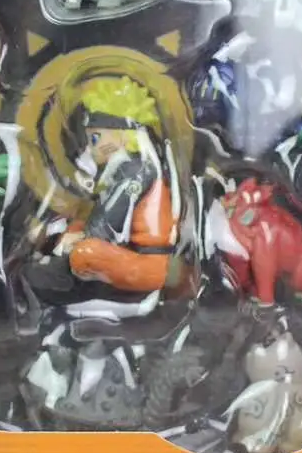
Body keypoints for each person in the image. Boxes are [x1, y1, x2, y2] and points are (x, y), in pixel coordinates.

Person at [25, 75, 190, 300]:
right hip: (129, 253)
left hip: (147, 264)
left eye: (95, 139)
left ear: (122, 137)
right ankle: (57, 260)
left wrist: (72, 239)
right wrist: (63, 232)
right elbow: (99, 215)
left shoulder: (136, 171)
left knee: (86, 252)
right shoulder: (125, 168)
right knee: (79, 224)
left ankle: (63, 276)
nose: (90, 149)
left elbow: (109, 226)